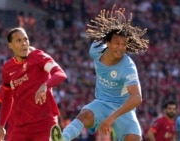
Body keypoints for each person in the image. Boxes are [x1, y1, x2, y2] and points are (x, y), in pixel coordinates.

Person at [53, 5, 149, 141]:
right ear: (108, 43)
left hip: (122, 109)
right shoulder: (95, 51)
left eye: (124, 44)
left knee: (134, 138)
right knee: (84, 115)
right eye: (117, 43)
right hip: (102, 103)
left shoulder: (128, 66)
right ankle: (62, 139)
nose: (121, 48)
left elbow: (137, 97)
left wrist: (112, 118)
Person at [0, 27, 67, 141]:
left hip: (44, 124)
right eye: (18, 40)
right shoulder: (7, 69)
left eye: (25, 39)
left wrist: (45, 85)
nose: (23, 43)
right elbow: (7, 99)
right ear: (10, 45)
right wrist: (1, 126)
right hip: (20, 127)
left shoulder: (38, 56)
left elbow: (60, 73)